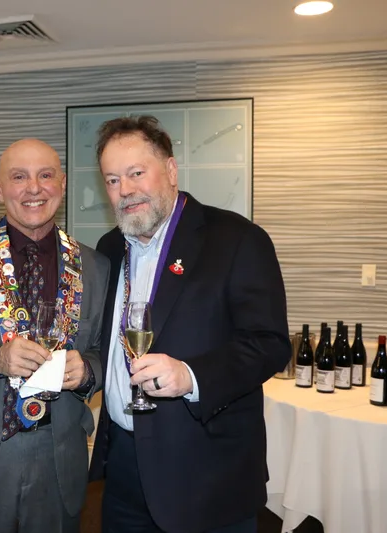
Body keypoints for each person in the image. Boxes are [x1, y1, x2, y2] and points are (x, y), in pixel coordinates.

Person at [88, 115, 290, 533]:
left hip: (207, 476)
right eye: (111, 180)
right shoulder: (109, 248)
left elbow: (269, 343)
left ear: (172, 169)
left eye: (136, 173)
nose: (124, 190)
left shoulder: (236, 239)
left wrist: (191, 375)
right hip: (124, 471)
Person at [0, 138, 109, 533]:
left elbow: (107, 352)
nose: (34, 188)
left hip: (58, 461)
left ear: (62, 184)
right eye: (19, 177)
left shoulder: (96, 266)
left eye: (45, 175)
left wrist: (89, 369)